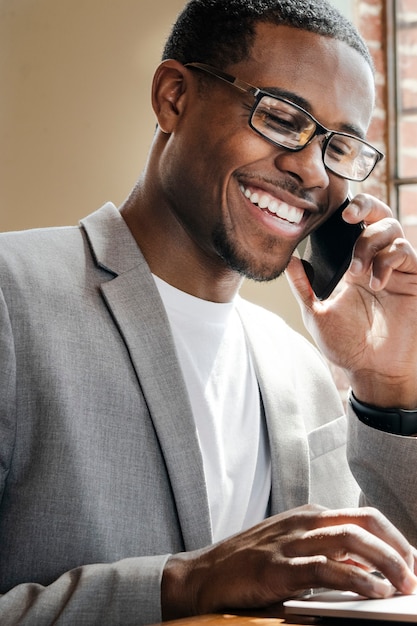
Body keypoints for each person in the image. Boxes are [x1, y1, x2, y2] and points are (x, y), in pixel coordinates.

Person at [1, 0, 417, 623]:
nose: (309, 168)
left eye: (342, 146)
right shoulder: (12, 297)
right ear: (174, 98)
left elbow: (391, 586)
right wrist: (186, 585)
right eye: (281, 117)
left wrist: (387, 384)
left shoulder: (302, 373)